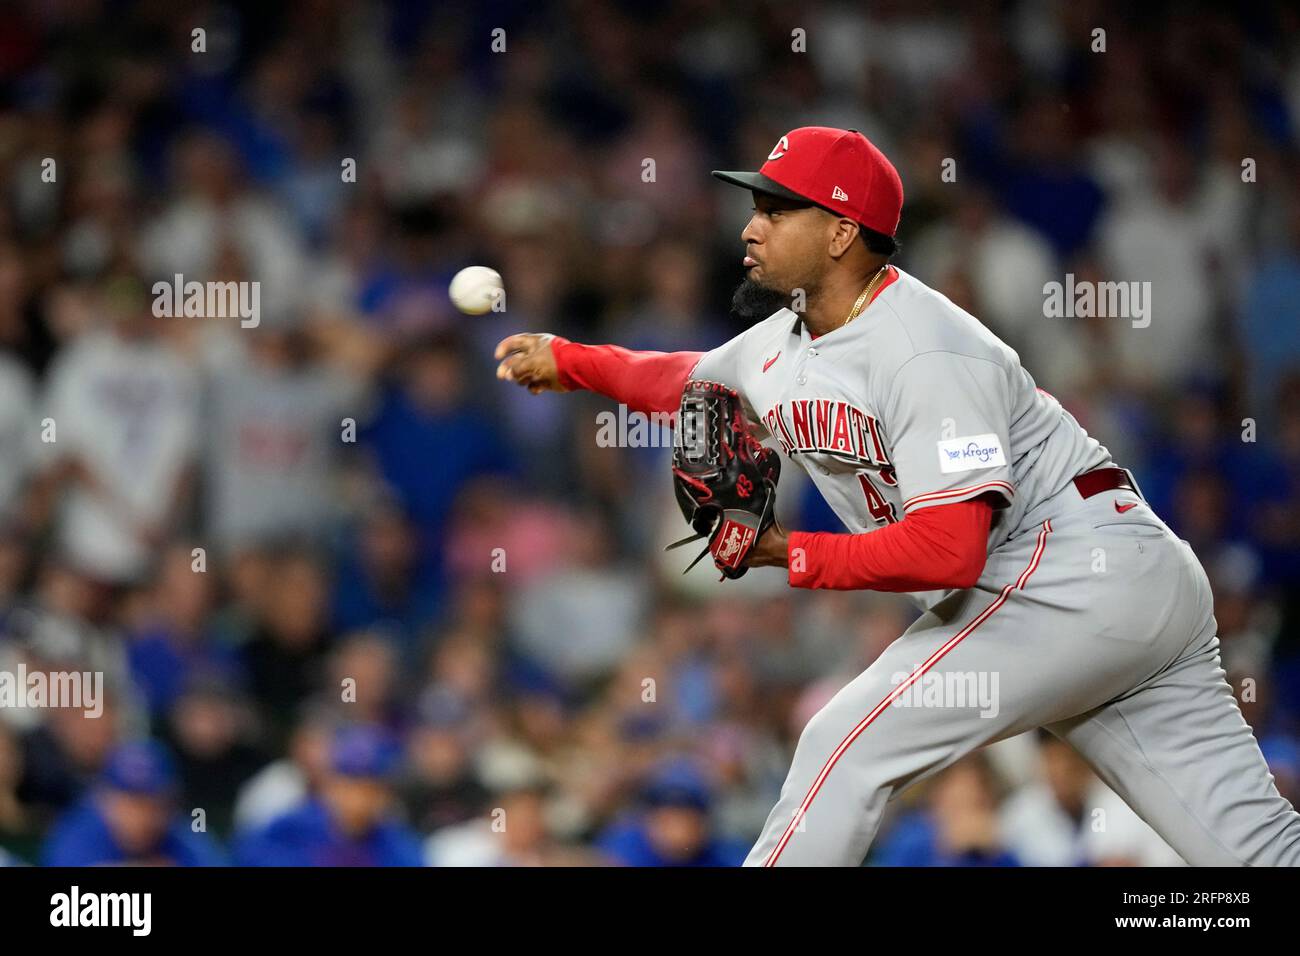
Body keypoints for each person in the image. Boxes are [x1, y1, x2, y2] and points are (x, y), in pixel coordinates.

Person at [495, 126, 1300, 866]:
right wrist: (568, 361)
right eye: (755, 207)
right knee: (1254, 851)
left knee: (842, 744)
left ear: (842, 232)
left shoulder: (926, 348)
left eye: (778, 210)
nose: (751, 226)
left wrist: (786, 552)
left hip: (1072, 574)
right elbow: (687, 378)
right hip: (1114, 598)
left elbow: (952, 552)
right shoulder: (789, 336)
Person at [234, 724, 424, 867]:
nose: (355, 799)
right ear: (329, 787)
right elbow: (245, 854)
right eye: (347, 786)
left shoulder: (396, 844)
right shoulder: (293, 826)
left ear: (383, 796)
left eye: (366, 789)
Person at [40, 740, 224, 866]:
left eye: (150, 803)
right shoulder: (78, 830)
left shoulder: (184, 832)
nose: (139, 816)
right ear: (103, 799)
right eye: (129, 803)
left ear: (170, 803)